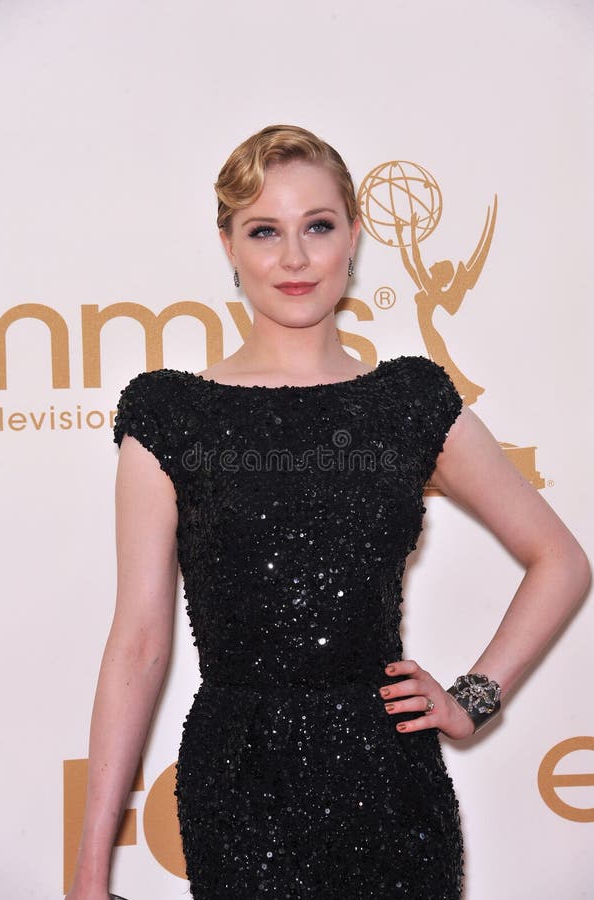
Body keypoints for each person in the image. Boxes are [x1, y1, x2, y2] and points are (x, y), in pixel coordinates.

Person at [66, 124, 590, 900]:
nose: (294, 257)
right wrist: (89, 870)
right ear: (228, 246)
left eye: (317, 225)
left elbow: (561, 560)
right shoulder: (169, 414)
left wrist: (473, 697)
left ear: (352, 234)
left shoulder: (408, 402)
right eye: (263, 231)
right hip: (237, 784)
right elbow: (139, 643)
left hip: (389, 780)